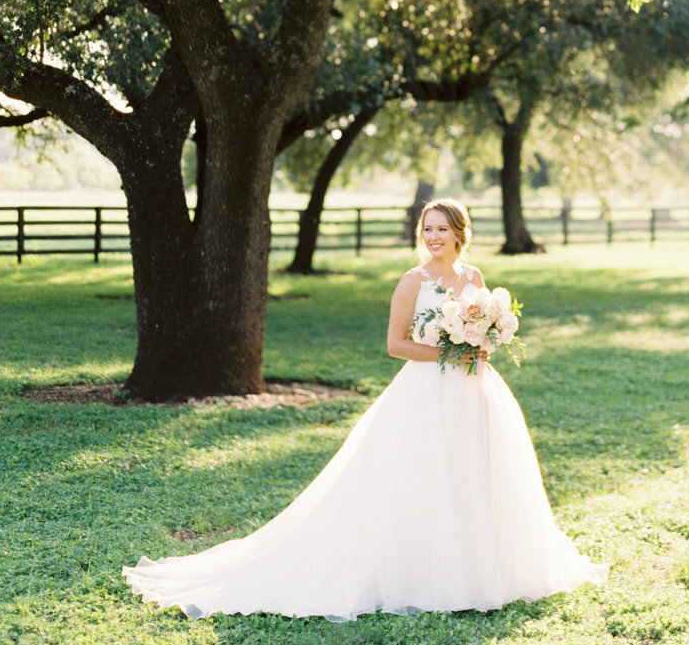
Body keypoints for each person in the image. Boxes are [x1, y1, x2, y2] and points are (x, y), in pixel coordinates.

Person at [122, 198, 606, 619]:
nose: (434, 237)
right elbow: (396, 345)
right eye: (428, 229)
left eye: (442, 229)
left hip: (474, 388)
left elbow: (480, 327)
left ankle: (478, 568)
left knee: (472, 473)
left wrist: (484, 339)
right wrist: (448, 350)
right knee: (417, 475)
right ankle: (418, 570)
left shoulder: (474, 277)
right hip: (426, 389)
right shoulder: (411, 281)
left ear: (461, 234)